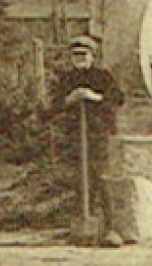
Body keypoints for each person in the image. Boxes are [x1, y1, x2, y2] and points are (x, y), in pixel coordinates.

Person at [53, 35, 124, 178]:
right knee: (77, 175)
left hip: (98, 132)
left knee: (98, 173)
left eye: (83, 54)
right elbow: (54, 105)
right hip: (74, 133)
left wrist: (94, 96)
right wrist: (70, 98)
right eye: (75, 55)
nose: (79, 58)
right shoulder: (66, 79)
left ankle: (98, 200)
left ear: (92, 56)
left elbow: (119, 98)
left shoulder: (103, 76)